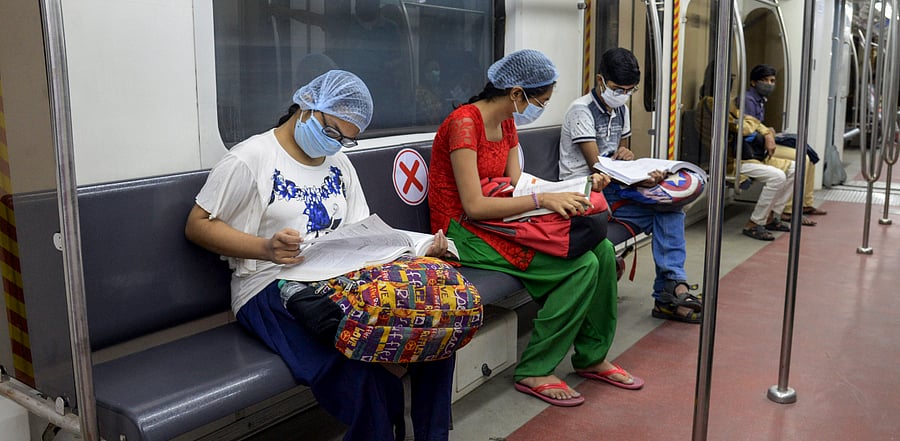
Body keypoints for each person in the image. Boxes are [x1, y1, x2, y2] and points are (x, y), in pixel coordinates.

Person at [185, 70, 454, 441]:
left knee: (435, 329)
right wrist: (266, 248)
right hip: (269, 284)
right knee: (359, 370)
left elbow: (362, 232)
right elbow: (198, 225)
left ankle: (433, 435)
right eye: (331, 133)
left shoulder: (339, 163)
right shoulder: (251, 159)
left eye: (346, 140)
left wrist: (413, 250)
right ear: (307, 106)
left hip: (337, 278)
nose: (335, 145)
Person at [427, 49, 643, 408]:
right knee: (580, 265)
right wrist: (543, 202)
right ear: (516, 93)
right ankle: (535, 368)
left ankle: (591, 356)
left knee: (602, 250)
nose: (539, 106)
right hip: (462, 230)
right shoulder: (464, 124)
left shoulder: (509, 121)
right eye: (539, 99)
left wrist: (577, 190)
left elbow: (516, 182)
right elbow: (474, 206)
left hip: (502, 216)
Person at [558, 47, 702, 324]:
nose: (622, 94)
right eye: (617, 88)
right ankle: (670, 293)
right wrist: (636, 176)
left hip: (613, 188)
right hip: (585, 190)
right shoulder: (581, 111)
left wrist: (628, 157)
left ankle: (670, 289)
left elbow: (618, 156)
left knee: (670, 209)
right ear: (600, 80)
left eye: (629, 89)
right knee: (668, 209)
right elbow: (597, 165)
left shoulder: (621, 109)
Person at [695, 65, 796, 241]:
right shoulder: (711, 103)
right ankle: (754, 223)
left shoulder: (727, 103)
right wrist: (762, 129)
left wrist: (765, 132)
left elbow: (751, 121)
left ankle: (773, 215)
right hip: (732, 160)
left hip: (746, 157)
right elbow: (743, 127)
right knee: (778, 177)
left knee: (794, 168)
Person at [745, 64, 826, 225]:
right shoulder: (748, 100)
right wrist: (767, 133)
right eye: (765, 80)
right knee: (802, 159)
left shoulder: (760, 100)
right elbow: (749, 128)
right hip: (756, 148)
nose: (769, 84)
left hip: (763, 142)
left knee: (808, 156)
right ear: (753, 82)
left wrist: (769, 132)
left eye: (772, 80)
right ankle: (787, 210)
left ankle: (805, 204)